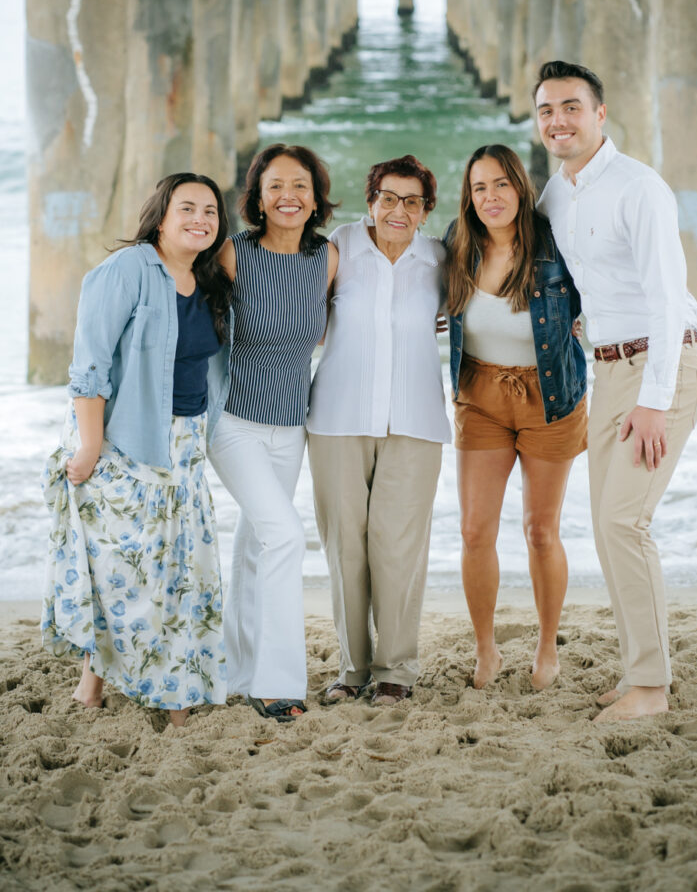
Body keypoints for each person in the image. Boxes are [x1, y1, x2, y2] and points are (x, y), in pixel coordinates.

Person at [534, 59, 697, 723]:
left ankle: (651, 686)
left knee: (622, 522)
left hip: (662, 369)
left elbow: (667, 299)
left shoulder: (640, 188)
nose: (559, 121)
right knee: (608, 529)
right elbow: (543, 270)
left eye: (572, 107)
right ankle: (641, 667)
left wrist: (655, 400)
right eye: (548, 110)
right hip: (607, 370)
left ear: (600, 115)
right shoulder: (555, 195)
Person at [42, 173, 233, 726]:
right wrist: (91, 444)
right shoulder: (127, 270)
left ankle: (168, 688)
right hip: (126, 441)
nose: (200, 220)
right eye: (187, 209)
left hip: (187, 445)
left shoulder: (207, 278)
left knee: (177, 569)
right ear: (160, 215)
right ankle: (95, 681)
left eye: (211, 212)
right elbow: (89, 364)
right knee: (123, 570)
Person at [307, 155, 451, 707]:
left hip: (415, 420)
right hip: (338, 419)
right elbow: (300, 316)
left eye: (412, 201)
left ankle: (396, 671)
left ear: (425, 211)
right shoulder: (338, 247)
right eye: (388, 197)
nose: (398, 210)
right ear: (370, 200)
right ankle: (352, 669)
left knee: (398, 548)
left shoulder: (438, 259)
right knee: (346, 547)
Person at [444, 144, 588, 691]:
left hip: (549, 398)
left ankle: (547, 646)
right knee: (474, 530)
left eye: (501, 184)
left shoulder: (554, 243)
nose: (491, 197)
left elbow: (603, 286)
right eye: (480, 188)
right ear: (469, 196)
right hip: (479, 394)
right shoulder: (458, 245)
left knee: (540, 532)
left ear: (521, 188)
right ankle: (487, 650)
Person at [208, 143, 338, 723]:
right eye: (276, 186)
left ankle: (237, 670)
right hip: (233, 422)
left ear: (316, 197)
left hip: (292, 427)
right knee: (285, 537)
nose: (289, 196)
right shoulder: (234, 255)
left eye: (300, 186)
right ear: (258, 198)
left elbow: (348, 321)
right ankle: (277, 684)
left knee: (255, 547)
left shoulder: (327, 258)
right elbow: (185, 309)